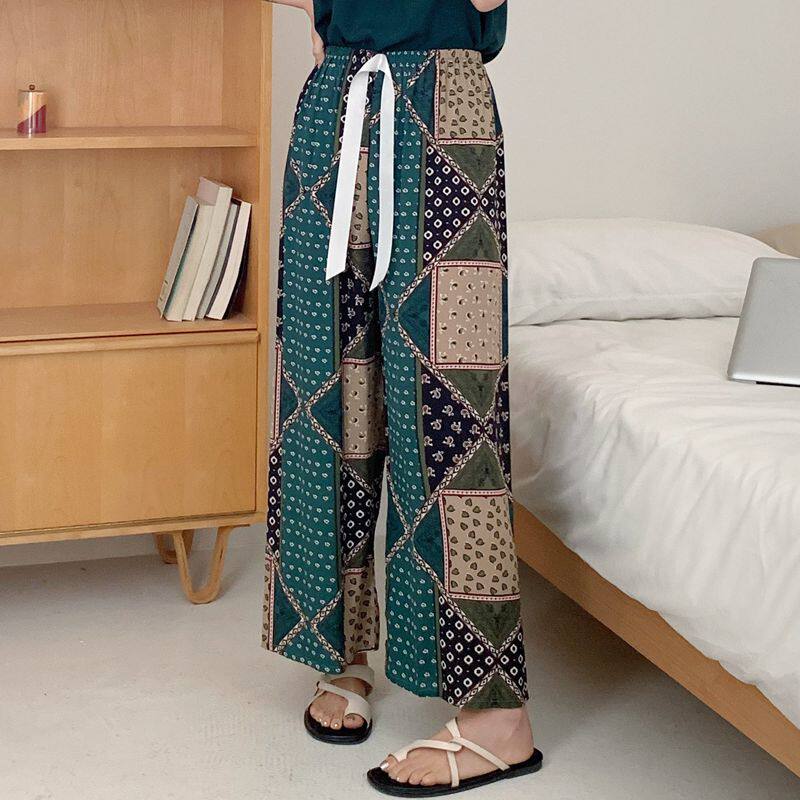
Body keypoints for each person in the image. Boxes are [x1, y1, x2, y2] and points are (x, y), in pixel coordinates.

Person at [263, 1, 541, 795]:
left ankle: (497, 714)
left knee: (453, 408)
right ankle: (340, 648)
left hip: (442, 107)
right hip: (334, 100)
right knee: (324, 389)